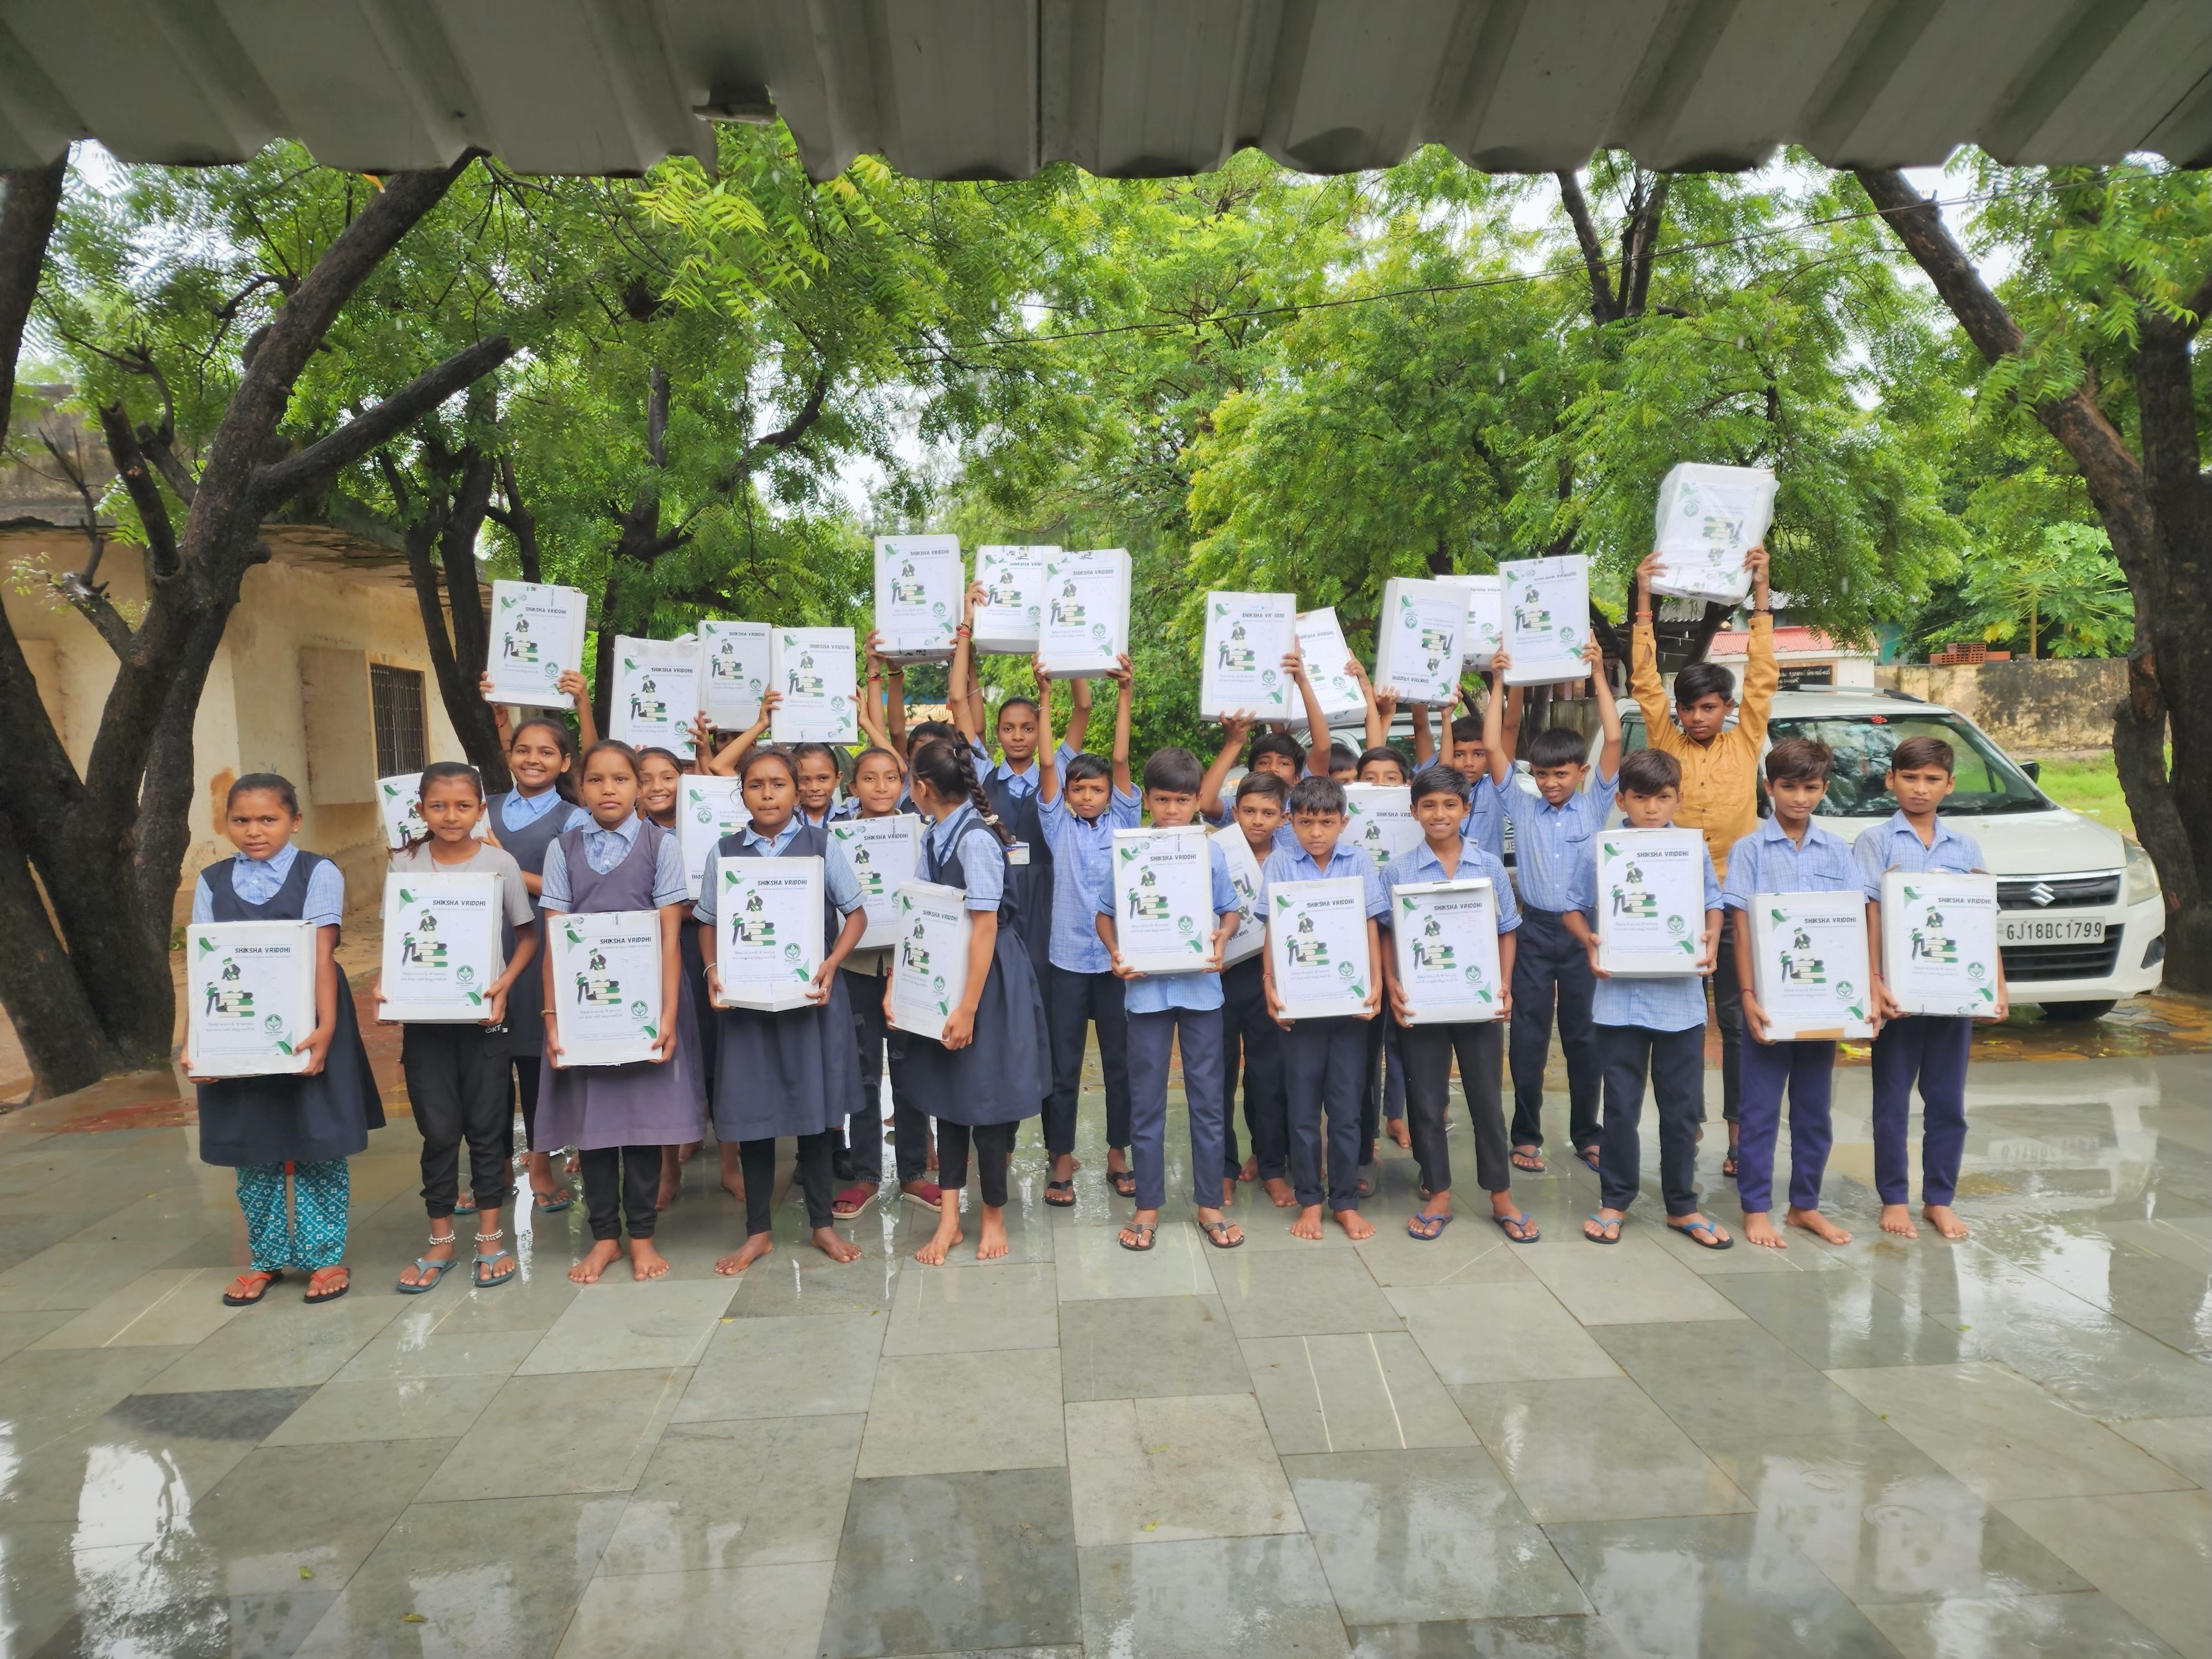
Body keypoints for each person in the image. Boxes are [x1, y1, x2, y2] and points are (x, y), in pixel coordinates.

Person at [186, 774, 382, 1307]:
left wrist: (324, 1029)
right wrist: (195, 1042)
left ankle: (325, 1258)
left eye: (268, 819)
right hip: (239, 1025)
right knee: (254, 1143)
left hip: (310, 1018)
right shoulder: (211, 881)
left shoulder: (318, 871)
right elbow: (203, 965)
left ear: (294, 821)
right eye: (241, 820)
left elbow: (321, 955)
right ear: (226, 824)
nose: (254, 831)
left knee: (317, 1141)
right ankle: (266, 1258)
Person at [1630, 547, 1777, 1178]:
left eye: (1707, 707)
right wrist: (1643, 597)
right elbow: (1642, 682)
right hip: (1679, 902)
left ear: (1726, 707)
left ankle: (1741, 1135)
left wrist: (1763, 589)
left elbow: (1763, 670)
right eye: (1688, 709)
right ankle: (1683, 1125)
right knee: (1681, 1018)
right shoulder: (1665, 739)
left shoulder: (1746, 737)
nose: (1696, 717)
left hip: (1738, 897)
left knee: (1738, 1021)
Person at [536, 740, 707, 1283]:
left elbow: (670, 937)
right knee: (594, 1132)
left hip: (645, 1011)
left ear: (639, 788)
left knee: (641, 1127)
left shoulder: (662, 846)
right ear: (581, 788)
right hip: (586, 1012)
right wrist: (553, 1019)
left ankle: (641, 1238)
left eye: (620, 780)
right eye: (596, 780)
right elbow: (555, 940)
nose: (608, 790)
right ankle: (603, 1237)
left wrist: (667, 1015)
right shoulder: (562, 850)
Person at [697, 746, 869, 1272]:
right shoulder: (724, 851)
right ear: (741, 792)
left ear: (799, 791)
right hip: (747, 1004)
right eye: (756, 785)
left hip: (810, 1000)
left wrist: (833, 963)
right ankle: (757, 1233)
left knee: (815, 1116)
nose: (767, 794)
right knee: (754, 1116)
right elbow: (707, 921)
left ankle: (821, 1226)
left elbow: (857, 915)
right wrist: (711, 971)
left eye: (778, 785)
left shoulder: (822, 845)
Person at [377, 762, 541, 1291]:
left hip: (485, 1022)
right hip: (426, 1025)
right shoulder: (404, 864)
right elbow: (399, 942)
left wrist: (504, 984)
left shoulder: (500, 863)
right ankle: (441, 1240)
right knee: (439, 1132)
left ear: (480, 809)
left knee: (489, 1132)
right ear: (421, 809)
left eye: (463, 805)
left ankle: (491, 1240)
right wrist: (389, 986)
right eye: (439, 806)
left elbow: (528, 935)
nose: (451, 816)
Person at [893, 738, 1052, 1264]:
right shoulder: (935, 835)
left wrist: (966, 1008)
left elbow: (985, 928)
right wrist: (903, 988)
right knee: (949, 1099)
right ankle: (948, 1222)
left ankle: (992, 1216)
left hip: (986, 982)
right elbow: (920, 914)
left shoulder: (975, 840)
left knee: (985, 1102)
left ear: (921, 788)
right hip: (945, 973)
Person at [1567, 749, 1728, 1248]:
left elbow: (1713, 903)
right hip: (1619, 1001)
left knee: (1681, 1112)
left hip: (1680, 1001)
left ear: (1677, 798)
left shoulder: (1690, 848)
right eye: (1640, 799)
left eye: (1662, 799)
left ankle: (1682, 1205)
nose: (1652, 809)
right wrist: (1589, 940)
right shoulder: (1602, 849)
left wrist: (1712, 937)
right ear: (1622, 799)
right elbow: (1575, 907)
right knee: (1620, 1108)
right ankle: (1615, 1201)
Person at [1096, 747, 1246, 1252]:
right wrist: (1117, 952)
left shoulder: (1212, 850)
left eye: (1183, 801)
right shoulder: (1129, 851)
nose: (1173, 811)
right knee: (1147, 1103)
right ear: (1147, 799)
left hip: (1202, 990)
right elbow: (1104, 913)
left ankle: (1210, 1204)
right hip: (1146, 993)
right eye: (1162, 800)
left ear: (1196, 800)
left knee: (1208, 1101)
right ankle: (1148, 1206)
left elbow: (1230, 912)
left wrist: (1223, 939)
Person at [1858, 734, 2007, 1242]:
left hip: (1952, 998)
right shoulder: (1876, 842)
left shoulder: (1964, 847)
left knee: (1947, 1103)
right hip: (1898, 999)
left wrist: (1996, 987)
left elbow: (1982, 921)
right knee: (1892, 1102)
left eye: (1931, 780)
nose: (1920, 789)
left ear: (1949, 784)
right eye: (1910, 778)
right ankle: (1895, 1199)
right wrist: (1875, 983)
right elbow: (1869, 915)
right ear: (1891, 780)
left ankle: (1939, 1200)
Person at [1380, 765, 1529, 1243]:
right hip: (1422, 1003)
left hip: (1478, 1002)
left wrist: (1503, 986)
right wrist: (1392, 983)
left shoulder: (1487, 866)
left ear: (1466, 809)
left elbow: (1507, 930)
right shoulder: (1397, 870)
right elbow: (1385, 935)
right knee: (1425, 1099)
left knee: (1487, 1098)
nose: (1439, 814)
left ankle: (1501, 1194)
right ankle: (1438, 1192)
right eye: (1429, 805)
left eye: (1449, 805)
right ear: (1414, 811)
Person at [1487, 642, 1620, 1176]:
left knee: (1586, 1036)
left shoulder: (1595, 802)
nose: (1551, 784)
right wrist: (1499, 681)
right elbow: (1497, 749)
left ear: (1580, 772)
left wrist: (1596, 674)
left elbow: (1614, 736)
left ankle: (1588, 1134)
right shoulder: (1521, 802)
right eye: (1543, 776)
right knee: (1529, 1037)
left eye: (1561, 775)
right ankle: (1526, 1135)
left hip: (1586, 930)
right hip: (1535, 932)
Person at [1724, 738, 1860, 1250]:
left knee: (1813, 1112)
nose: (1799, 798)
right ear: (1769, 789)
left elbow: (1848, 927)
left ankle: (1805, 1207)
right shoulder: (1749, 851)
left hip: (1821, 1002)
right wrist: (1747, 995)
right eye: (1788, 787)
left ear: (1824, 790)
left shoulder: (1838, 852)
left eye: (1810, 788)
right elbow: (1739, 927)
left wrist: (1855, 1001)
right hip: (1769, 1001)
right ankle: (1756, 1208)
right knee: (1759, 1112)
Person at [477, 696, 593, 1215]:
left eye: (547, 752)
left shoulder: (574, 819)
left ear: (565, 763)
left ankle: (540, 1162)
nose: (533, 759)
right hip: (481, 946)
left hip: (542, 948)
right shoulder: (484, 809)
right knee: (486, 1063)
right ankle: (493, 1168)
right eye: (523, 750)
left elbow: (575, 891)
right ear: (510, 756)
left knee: (535, 1059)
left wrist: (501, 863)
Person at [1261, 775, 1389, 1242]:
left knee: (1347, 1109)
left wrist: (1374, 984)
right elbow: (1274, 930)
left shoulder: (1359, 861)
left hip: (1350, 1010)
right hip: (1300, 1010)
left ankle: (1345, 1203)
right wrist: (1270, 986)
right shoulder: (1280, 862)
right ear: (1291, 822)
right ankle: (1311, 1202)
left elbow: (1372, 925)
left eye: (1327, 823)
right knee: (1302, 1109)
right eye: (1308, 822)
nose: (1317, 832)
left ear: (1343, 822)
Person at [1035, 651, 1140, 1203]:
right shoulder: (1057, 824)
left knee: (1121, 1065)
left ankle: (1118, 1153)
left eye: (1095, 789)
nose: (1085, 795)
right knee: (1063, 1066)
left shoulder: (1125, 819)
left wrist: (1124, 692)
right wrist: (1047, 696)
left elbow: (1121, 758)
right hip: (1068, 960)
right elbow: (1050, 765)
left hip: (1119, 961)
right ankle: (1060, 1159)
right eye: (1078, 788)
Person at [829, 745, 943, 1219]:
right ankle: (866, 1175)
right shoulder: (833, 838)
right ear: (851, 787)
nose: (880, 787)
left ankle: (915, 1173)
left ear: (906, 785)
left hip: (911, 967)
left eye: (891, 778)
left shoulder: (923, 834)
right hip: (856, 968)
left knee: (911, 1069)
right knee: (863, 1075)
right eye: (869, 779)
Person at [636, 743, 711, 1210]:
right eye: (647, 778)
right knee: (666, 1053)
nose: (659, 786)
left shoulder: (706, 824)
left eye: (670, 775)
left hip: (706, 941)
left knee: (716, 1043)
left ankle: (728, 1159)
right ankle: (668, 1165)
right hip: (651, 949)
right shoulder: (630, 834)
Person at [1219, 770, 1293, 1206]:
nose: (1258, 821)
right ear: (1235, 813)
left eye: (1268, 813)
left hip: (1273, 976)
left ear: (1284, 818)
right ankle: (1223, 1167)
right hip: (1221, 975)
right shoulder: (1215, 853)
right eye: (1249, 811)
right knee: (1220, 1077)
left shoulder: (1294, 856)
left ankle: (1271, 1166)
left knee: (1268, 1075)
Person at [1350, 741, 1413, 1163]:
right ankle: (1367, 1128)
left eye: (1391, 779)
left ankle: (1398, 1114)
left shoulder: (1417, 816)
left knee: (1406, 1036)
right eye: (1370, 779)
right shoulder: (1348, 825)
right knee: (1367, 1042)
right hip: (1362, 940)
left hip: (1410, 938)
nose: (1380, 785)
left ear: (1407, 785)